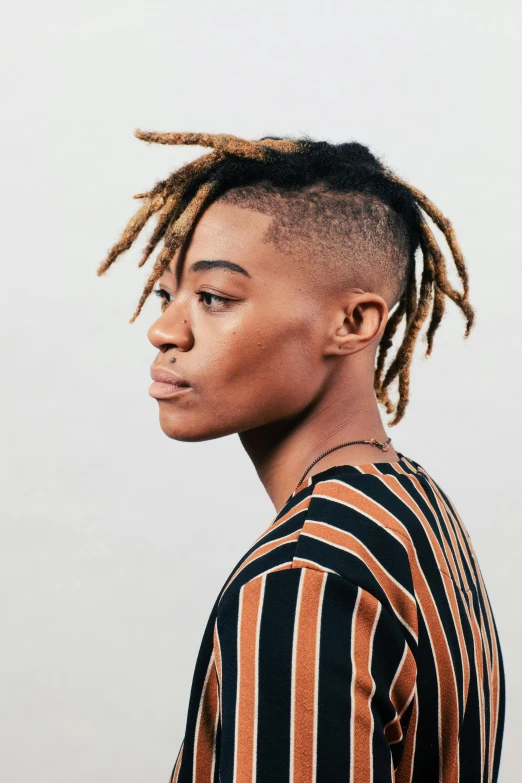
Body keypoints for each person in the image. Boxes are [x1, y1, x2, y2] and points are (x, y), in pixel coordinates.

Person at [98, 131, 505, 783]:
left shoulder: (301, 579)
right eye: (165, 295)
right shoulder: (411, 497)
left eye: (213, 297)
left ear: (351, 323)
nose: (165, 330)